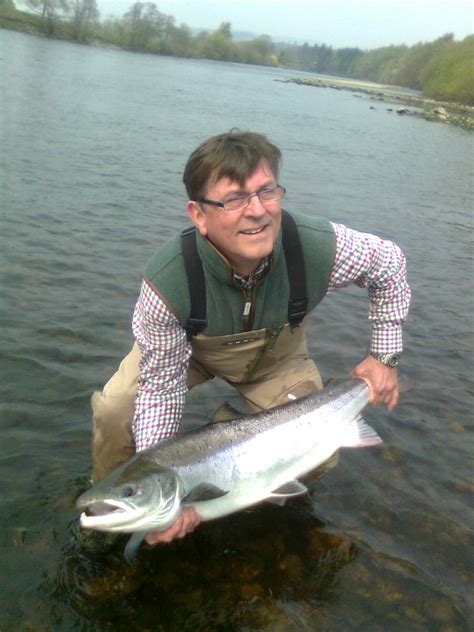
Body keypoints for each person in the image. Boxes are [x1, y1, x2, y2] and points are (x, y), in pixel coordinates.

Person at [90, 130, 411, 546]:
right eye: (235, 199)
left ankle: (259, 517)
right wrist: (166, 496)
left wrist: (383, 357)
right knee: (117, 413)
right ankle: (113, 513)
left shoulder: (316, 247)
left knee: (321, 453)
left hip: (276, 360)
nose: (257, 211)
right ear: (198, 214)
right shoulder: (169, 282)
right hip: (184, 354)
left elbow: (391, 266)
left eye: (267, 192)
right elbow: (163, 390)